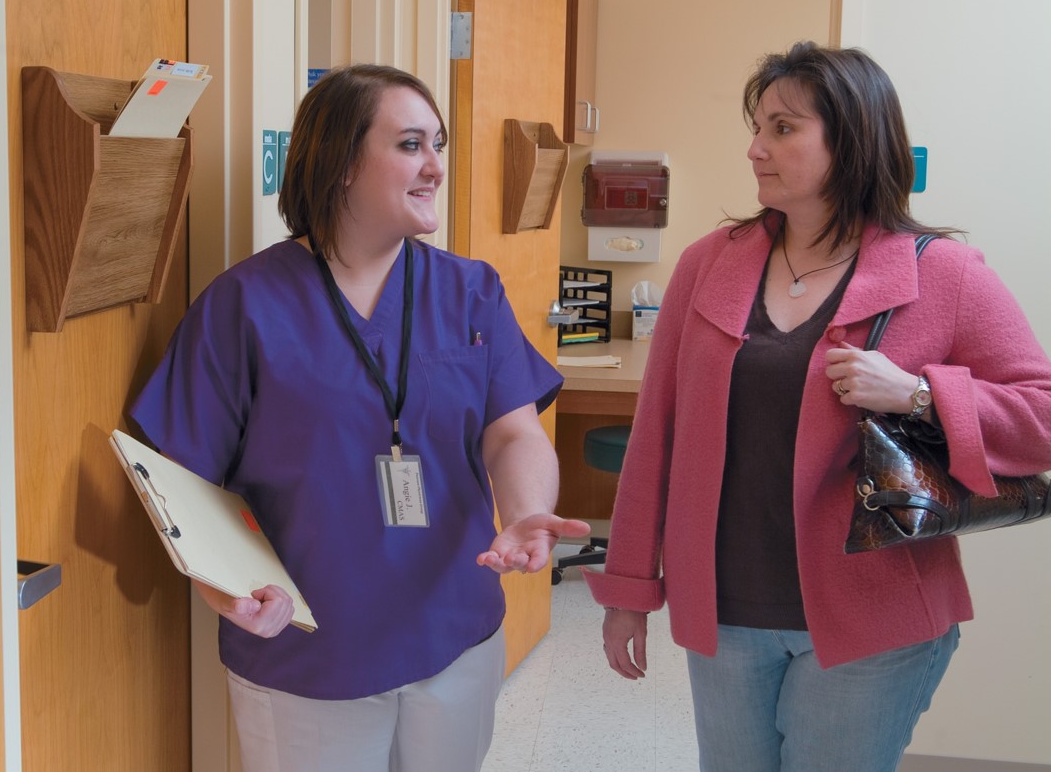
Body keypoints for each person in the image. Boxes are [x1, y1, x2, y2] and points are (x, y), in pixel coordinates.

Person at [584, 41, 1051, 772]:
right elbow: (657, 439)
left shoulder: (945, 272)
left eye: (782, 128)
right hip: (729, 613)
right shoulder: (709, 262)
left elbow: (1043, 414)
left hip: (876, 619)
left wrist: (920, 394)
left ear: (852, 140)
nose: (754, 148)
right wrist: (629, 591)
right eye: (757, 127)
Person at [130, 63, 588, 772]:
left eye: (438, 143)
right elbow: (186, 486)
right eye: (410, 144)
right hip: (309, 652)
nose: (436, 165)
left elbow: (513, 428)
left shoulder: (470, 292)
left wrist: (528, 511)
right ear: (342, 162)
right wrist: (227, 587)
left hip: (453, 632)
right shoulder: (244, 306)